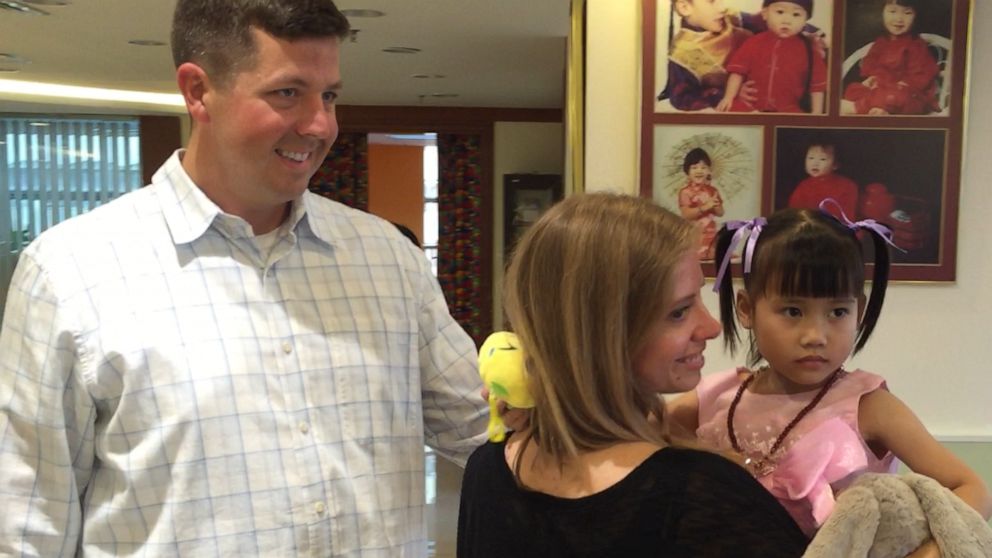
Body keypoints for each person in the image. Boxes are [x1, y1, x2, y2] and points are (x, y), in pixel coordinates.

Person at [0, 0, 489, 556]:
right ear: (198, 91)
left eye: (329, 95)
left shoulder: (389, 260)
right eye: (288, 93)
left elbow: (482, 429)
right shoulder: (71, 273)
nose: (321, 124)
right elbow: (27, 526)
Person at [457, 193, 810, 557]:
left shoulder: (486, 470)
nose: (711, 327)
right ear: (601, 335)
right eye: (679, 312)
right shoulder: (700, 493)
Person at [668, 204, 992, 555]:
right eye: (793, 311)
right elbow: (633, 433)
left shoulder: (869, 405)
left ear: (860, 310)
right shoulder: (715, 397)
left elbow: (970, 487)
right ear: (746, 308)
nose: (815, 335)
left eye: (837, 312)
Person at [717, 0, 826, 113]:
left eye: (796, 15)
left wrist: (816, 113)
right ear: (765, 14)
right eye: (780, 12)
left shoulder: (810, 52)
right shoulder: (753, 42)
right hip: (750, 106)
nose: (787, 21)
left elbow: (817, 87)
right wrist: (728, 97)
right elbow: (737, 72)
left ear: (805, 22)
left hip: (789, 110)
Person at [843, 0, 940, 115]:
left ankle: (857, 108)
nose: (899, 18)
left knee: (896, 96)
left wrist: (904, 84)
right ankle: (879, 110)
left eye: (907, 13)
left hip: (909, 95)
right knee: (853, 89)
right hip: (881, 89)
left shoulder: (916, 45)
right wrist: (872, 79)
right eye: (892, 11)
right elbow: (871, 65)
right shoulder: (880, 43)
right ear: (882, 13)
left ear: (916, 16)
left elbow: (923, 75)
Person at [787, 140, 859, 219]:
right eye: (811, 158)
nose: (815, 163)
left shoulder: (847, 186)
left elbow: (848, 217)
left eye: (822, 159)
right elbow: (794, 213)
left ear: (835, 165)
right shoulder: (803, 186)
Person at [677, 147, 725, 260]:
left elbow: (720, 213)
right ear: (687, 172)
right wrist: (704, 207)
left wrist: (715, 204)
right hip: (695, 234)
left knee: (714, 258)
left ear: (708, 170)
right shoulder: (685, 192)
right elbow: (685, 215)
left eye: (703, 167)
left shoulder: (713, 191)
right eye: (694, 168)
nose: (699, 171)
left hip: (711, 233)